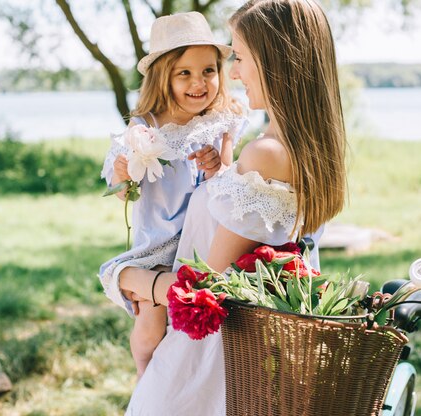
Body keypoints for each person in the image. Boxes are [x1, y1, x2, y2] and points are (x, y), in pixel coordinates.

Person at [99, 0, 347, 414]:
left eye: (241, 57)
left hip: (206, 361)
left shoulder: (266, 155)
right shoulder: (297, 150)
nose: (233, 72)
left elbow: (204, 287)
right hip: (232, 350)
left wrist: (125, 277)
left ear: (277, 62)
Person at [99, 11, 246, 379]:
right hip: (159, 245)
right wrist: (123, 175)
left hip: (203, 242)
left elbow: (227, 183)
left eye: (208, 71)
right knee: (150, 330)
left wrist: (216, 165)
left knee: (187, 331)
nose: (199, 83)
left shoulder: (221, 122)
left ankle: (177, 380)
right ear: (164, 76)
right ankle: (144, 376)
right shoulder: (144, 128)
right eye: (185, 73)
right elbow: (124, 193)